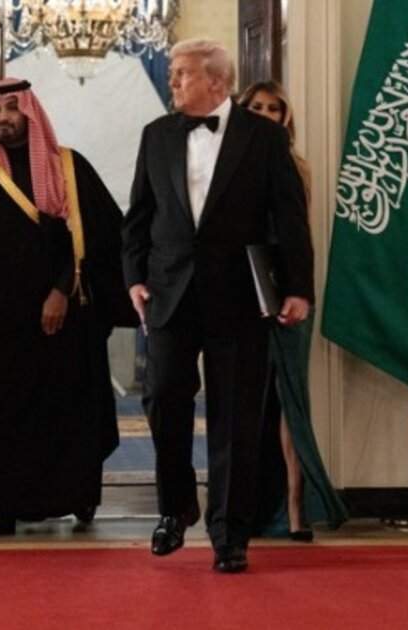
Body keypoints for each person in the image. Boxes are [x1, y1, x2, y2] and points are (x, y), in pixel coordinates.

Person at [122, 39, 312, 573]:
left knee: (235, 418)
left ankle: (230, 535)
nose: (173, 81)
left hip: (240, 296)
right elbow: (139, 216)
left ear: (217, 83)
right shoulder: (156, 135)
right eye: (173, 72)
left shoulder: (264, 138)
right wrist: (134, 278)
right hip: (169, 294)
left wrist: (298, 288)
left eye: (182, 74)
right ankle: (177, 507)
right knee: (162, 398)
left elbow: (289, 217)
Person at [0, 78, 136, 538]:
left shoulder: (68, 169)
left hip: (63, 322)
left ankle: (77, 496)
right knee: (2, 417)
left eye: (12, 108)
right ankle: (0, 509)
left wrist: (60, 291)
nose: (4, 118)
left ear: (30, 113)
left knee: (67, 411)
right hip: (1, 328)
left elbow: (101, 237)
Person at [236, 81, 349, 541]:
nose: (265, 114)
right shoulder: (227, 163)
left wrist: (295, 291)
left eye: (273, 109)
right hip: (239, 291)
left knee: (290, 400)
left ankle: (297, 504)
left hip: (286, 291)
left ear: (286, 117)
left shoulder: (295, 165)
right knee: (245, 399)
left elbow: (297, 233)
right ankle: (245, 506)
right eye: (256, 107)